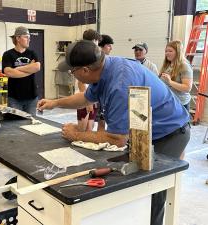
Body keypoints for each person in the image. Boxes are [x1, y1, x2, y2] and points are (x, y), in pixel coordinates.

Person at [37, 40, 190, 225]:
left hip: (169, 132)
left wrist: (75, 134)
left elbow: (117, 139)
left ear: (85, 70)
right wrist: (55, 103)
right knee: (133, 186)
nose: (72, 75)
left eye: (72, 71)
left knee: (152, 189)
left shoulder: (119, 84)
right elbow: (85, 98)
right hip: (144, 132)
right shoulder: (104, 69)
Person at [2, 26, 40, 115]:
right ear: (18, 38)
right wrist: (29, 68)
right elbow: (8, 72)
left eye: (29, 37)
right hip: (14, 98)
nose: (29, 40)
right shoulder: (8, 54)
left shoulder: (32, 53)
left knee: (30, 124)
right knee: (15, 124)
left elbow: (37, 67)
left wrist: (17, 69)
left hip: (32, 98)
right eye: (26, 37)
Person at [75, 29, 101, 131]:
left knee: (90, 128)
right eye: (97, 41)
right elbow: (81, 81)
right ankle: (68, 130)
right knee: (83, 130)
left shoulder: (93, 55)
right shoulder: (83, 55)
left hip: (91, 96)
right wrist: (88, 102)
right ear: (94, 40)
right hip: (84, 97)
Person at [159, 40, 193, 112]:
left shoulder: (184, 66)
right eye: (166, 51)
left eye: (170, 51)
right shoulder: (167, 65)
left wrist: (170, 82)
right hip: (169, 102)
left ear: (178, 52)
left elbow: (187, 88)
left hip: (180, 104)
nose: (167, 53)